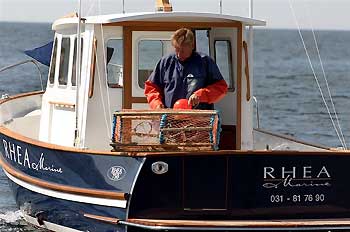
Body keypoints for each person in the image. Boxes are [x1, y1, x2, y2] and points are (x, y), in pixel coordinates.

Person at [144, 28, 228, 110]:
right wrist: (156, 104)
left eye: (183, 51)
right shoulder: (166, 62)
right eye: (177, 49)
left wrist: (201, 95)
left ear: (192, 46)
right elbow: (151, 87)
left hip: (198, 119)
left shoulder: (204, 62)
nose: (179, 54)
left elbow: (221, 88)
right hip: (170, 118)